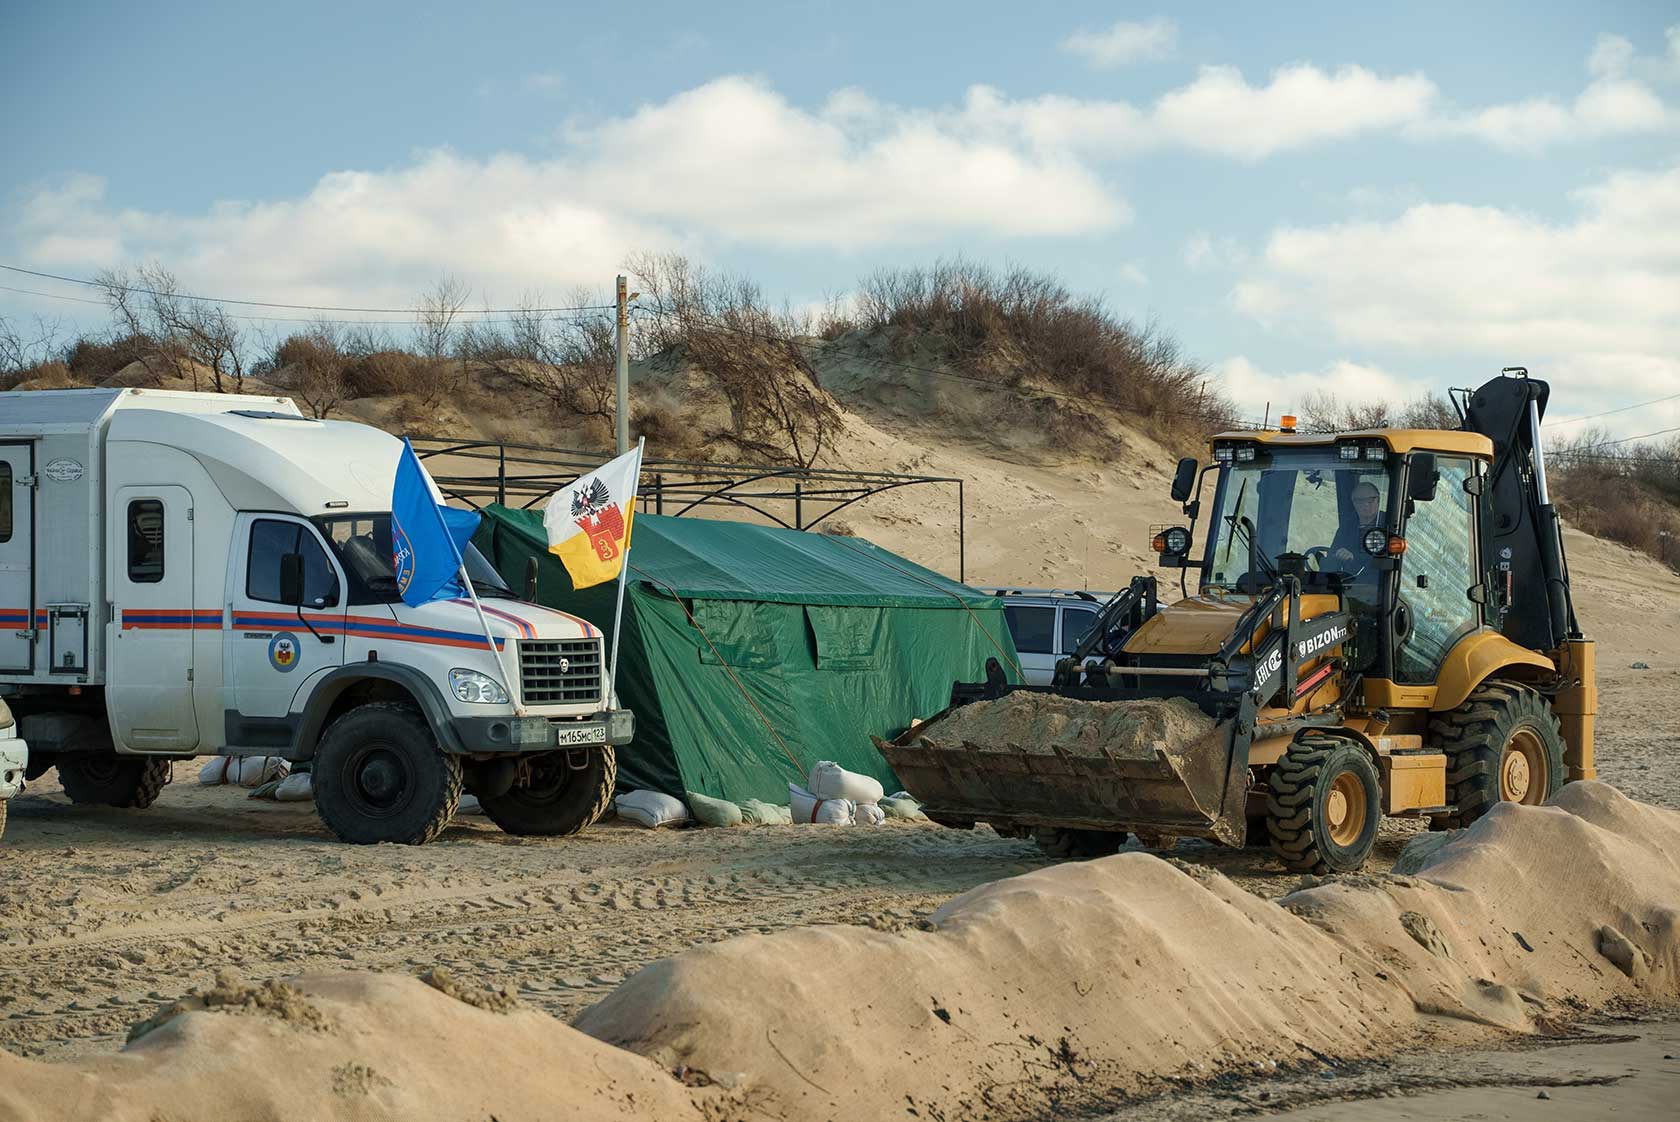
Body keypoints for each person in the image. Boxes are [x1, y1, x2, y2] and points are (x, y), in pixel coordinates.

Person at [1329, 479, 1384, 569]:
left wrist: (1355, 558)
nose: (1365, 504)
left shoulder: (1388, 524)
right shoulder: (1347, 526)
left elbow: (1389, 563)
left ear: (1378, 500)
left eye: (1370, 500)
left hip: (1378, 581)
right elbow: (1332, 553)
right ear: (1354, 502)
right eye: (1360, 501)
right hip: (1347, 579)